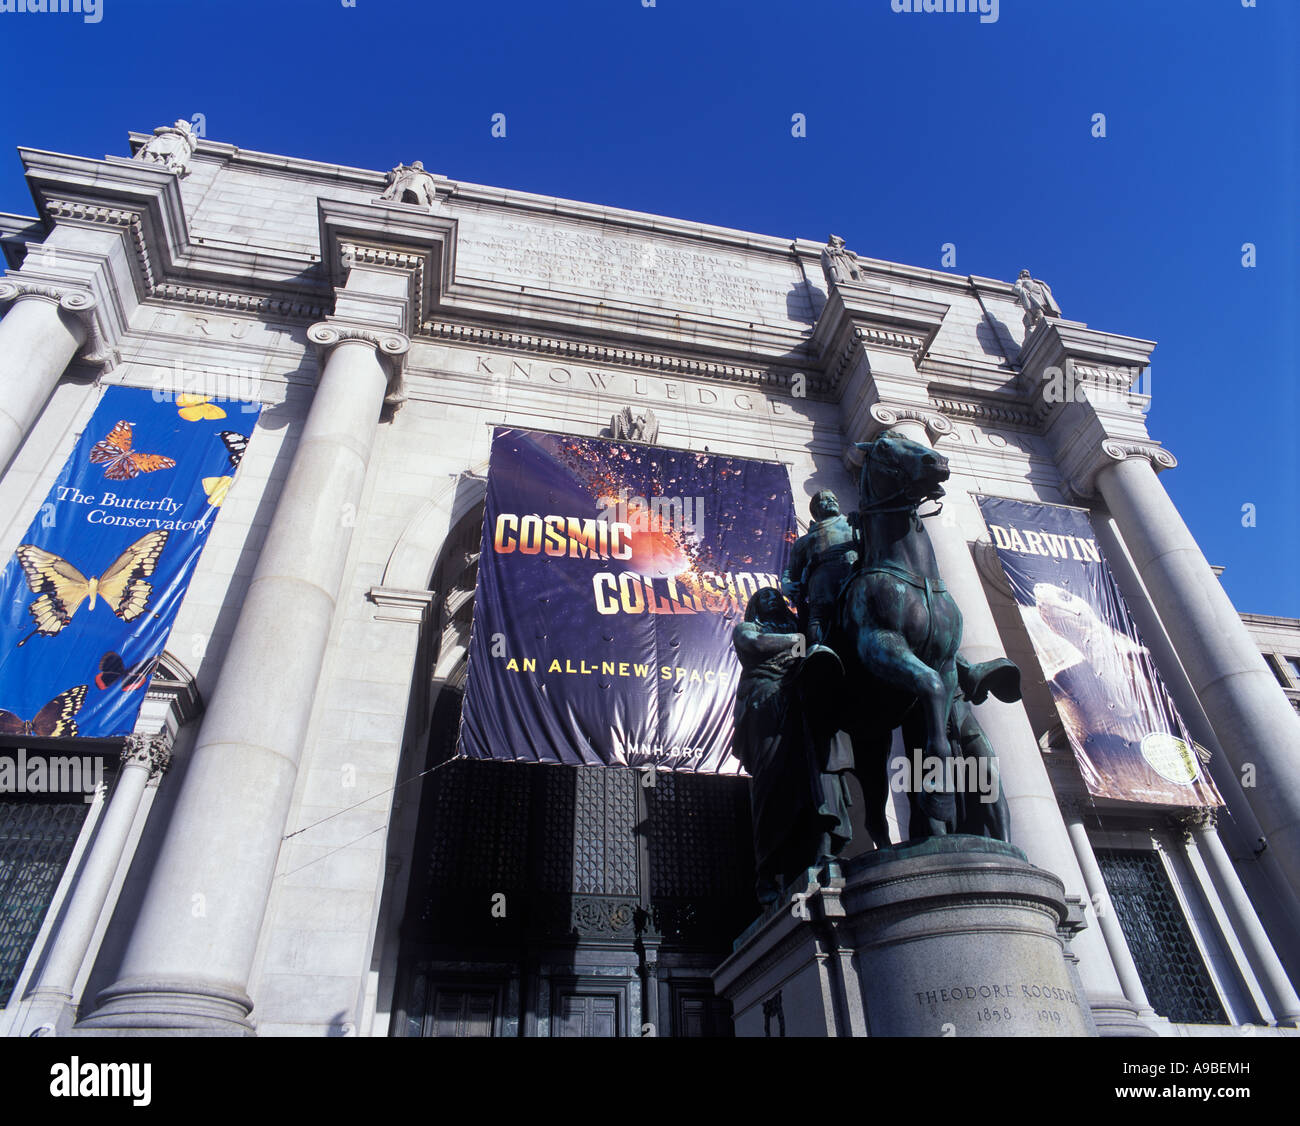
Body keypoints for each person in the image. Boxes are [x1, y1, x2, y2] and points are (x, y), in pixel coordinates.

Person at [733, 589, 849, 903]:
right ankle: (767, 873)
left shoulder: (801, 628)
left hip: (802, 701)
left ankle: (822, 854)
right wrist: (801, 643)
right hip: (766, 704)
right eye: (763, 598)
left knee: (820, 781)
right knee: (772, 785)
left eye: (775, 596)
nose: (772, 599)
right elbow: (756, 644)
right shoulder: (748, 629)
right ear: (755, 608)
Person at [782, 490, 860, 648]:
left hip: (855, 570)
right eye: (824, 500)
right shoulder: (805, 541)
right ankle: (817, 648)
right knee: (819, 612)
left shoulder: (853, 522)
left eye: (834, 498)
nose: (832, 501)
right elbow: (791, 572)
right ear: (815, 510)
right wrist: (786, 584)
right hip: (824, 580)